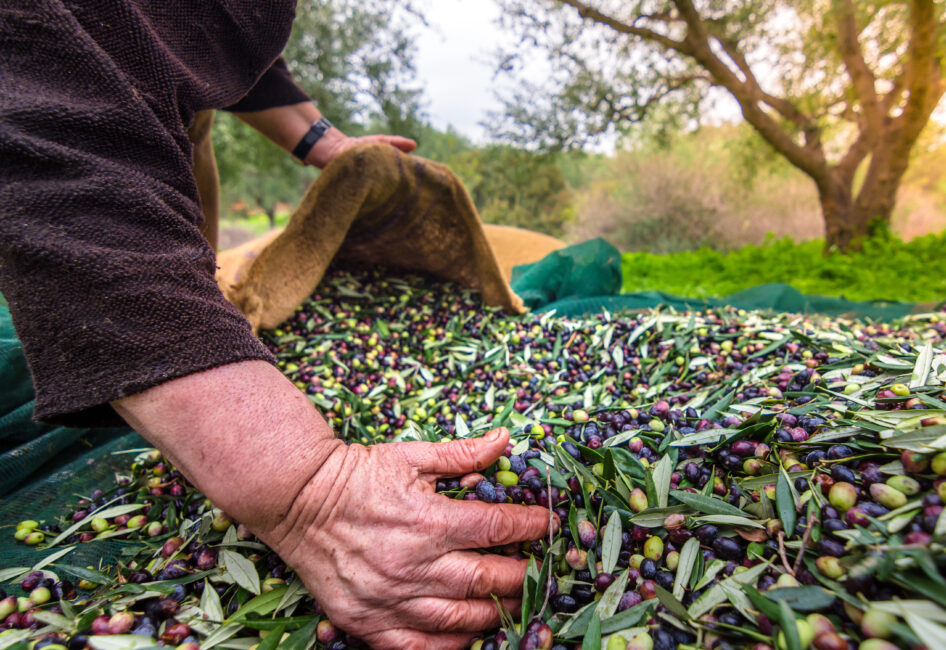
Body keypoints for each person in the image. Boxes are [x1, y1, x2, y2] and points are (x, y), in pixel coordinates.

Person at [0, 2, 554, 649]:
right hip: (81, 153)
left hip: (159, 130)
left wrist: (324, 143)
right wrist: (307, 492)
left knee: (192, 288)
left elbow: (205, 28)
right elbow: (59, 153)